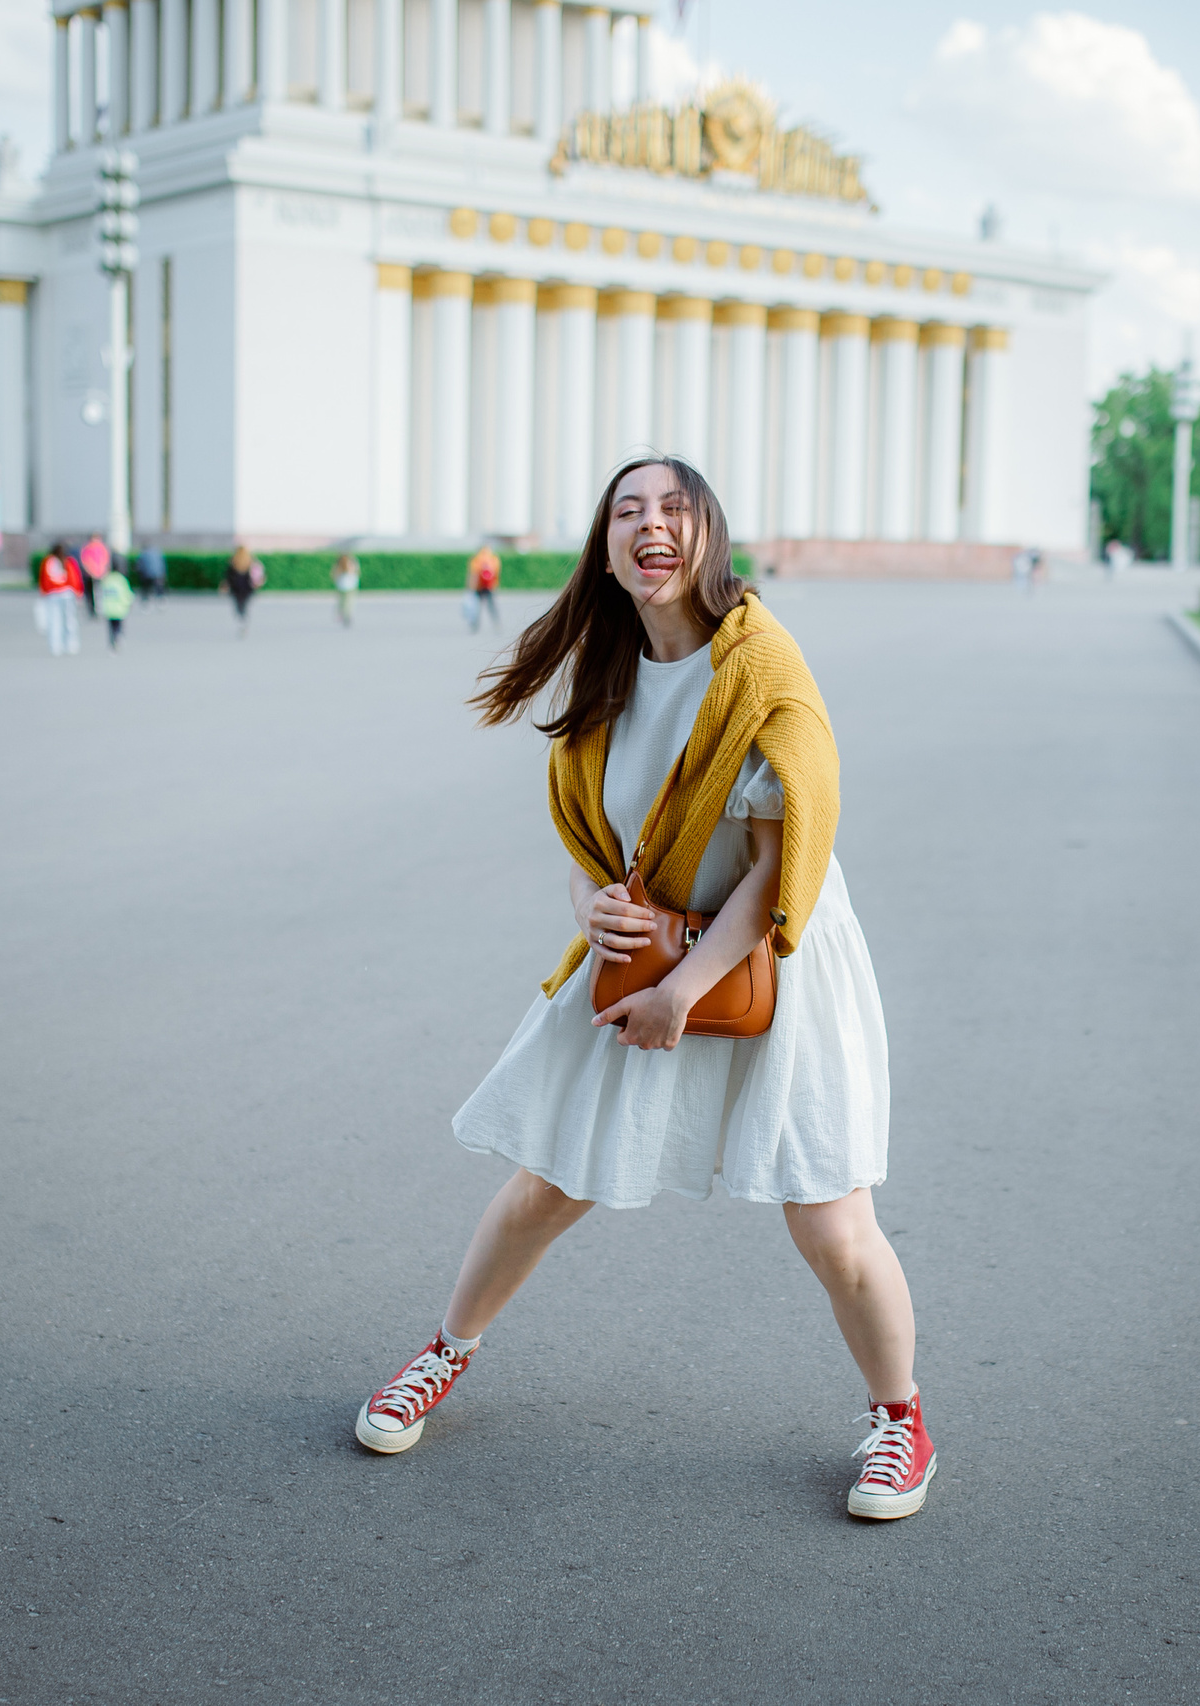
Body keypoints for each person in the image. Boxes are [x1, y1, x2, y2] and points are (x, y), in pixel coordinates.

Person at [351, 456, 938, 1522]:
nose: (650, 525)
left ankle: (900, 1421)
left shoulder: (760, 665)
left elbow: (780, 863)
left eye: (673, 508)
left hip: (771, 959)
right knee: (546, 1185)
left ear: (709, 536)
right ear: (607, 548)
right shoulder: (607, 673)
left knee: (830, 1219)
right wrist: (588, 908)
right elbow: (593, 836)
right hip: (646, 951)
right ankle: (444, 1352)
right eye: (628, 512)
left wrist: (687, 990)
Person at [36, 539, 83, 655]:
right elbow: (74, 578)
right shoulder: (68, 561)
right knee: (70, 621)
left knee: (54, 621)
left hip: (53, 595)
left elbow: (44, 579)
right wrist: (78, 592)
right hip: (67, 594)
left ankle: (55, 646)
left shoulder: (48, 562)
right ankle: (71, 645)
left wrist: (44, 592)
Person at [224, 543, 264, 636]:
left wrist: (226, 585)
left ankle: (242, 620)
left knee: (239, 606)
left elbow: (228, 576)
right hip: (247, 589)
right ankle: (243, 620)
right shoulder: (250, 561)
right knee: (244, 606)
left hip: (236, 588)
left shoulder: (233, 561)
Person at [96, 557, 134, 650]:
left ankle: (112, 641)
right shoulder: (121, 579)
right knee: (119, 624)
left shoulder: (106, 579)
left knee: (111, 627)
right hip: (119, 608)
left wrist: (99, 607)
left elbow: (101, 594)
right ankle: (118, 636)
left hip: (109, 608)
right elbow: (126, 593)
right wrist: (129, 603)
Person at [465, 541, 503, 634]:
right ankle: (496, 623)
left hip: (478, 587)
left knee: (477, 607)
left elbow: (473, 574)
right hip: (489, 586)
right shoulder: (493, 559)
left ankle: (474, 625)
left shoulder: (476, 559)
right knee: (492, 606)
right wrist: (496, 585)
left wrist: (470, 586)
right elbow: (497, 573)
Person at [79, 534, 110, 618]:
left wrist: (104, 571)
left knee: (98, 592)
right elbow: (84, 560)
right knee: (91, 593)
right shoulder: (88, 547)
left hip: (99, 573)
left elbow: (105, 560)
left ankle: (99, 609)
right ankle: (93, 609)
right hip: (90, 574)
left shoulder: (102, 547)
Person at [332, 549, 360, 627]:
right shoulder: (352, 561)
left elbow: (334, 574)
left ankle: (341, 614)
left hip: (341, 584)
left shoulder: (338, 563)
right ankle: (348, 615)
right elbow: (356, 572)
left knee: (342, 601)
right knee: (349, 601)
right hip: (351, 584)